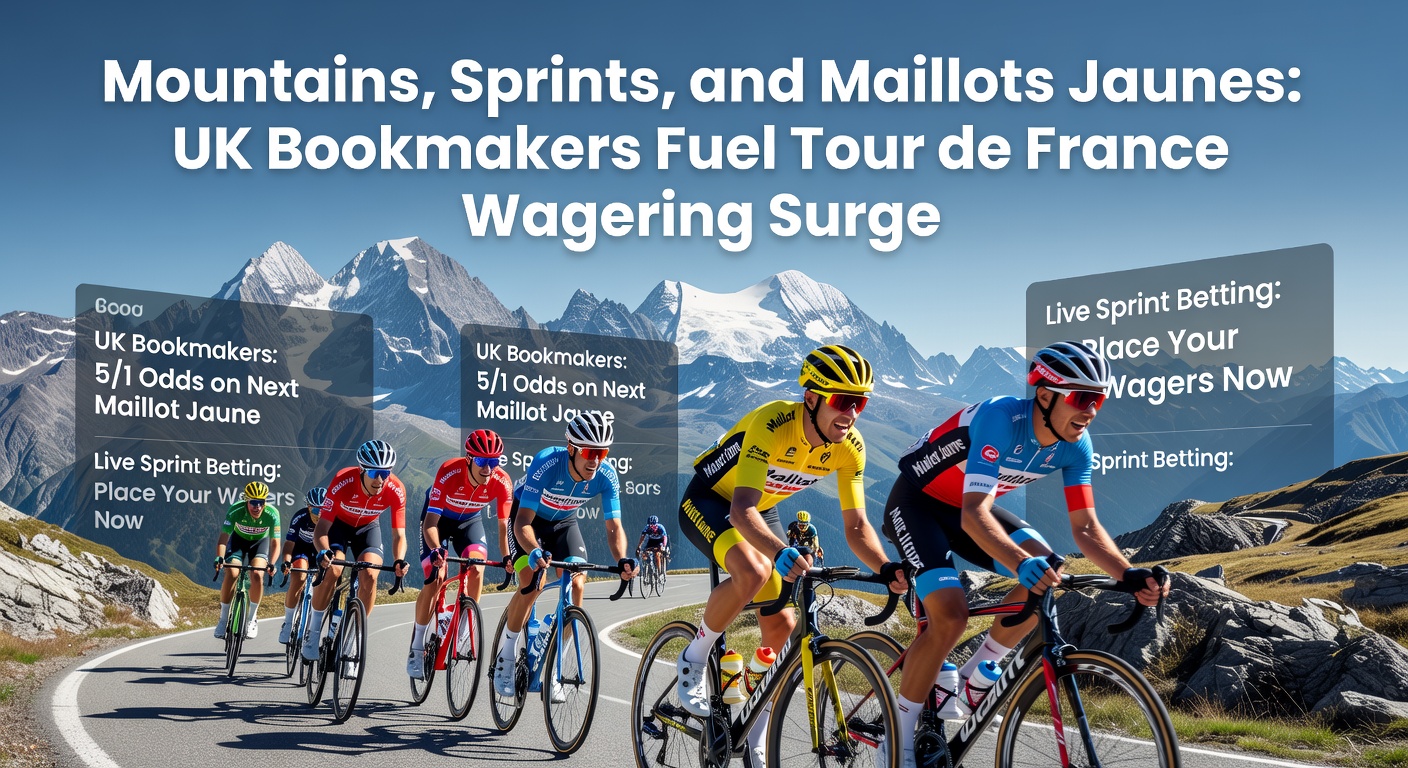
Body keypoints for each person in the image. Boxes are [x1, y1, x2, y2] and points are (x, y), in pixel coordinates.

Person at [880, 340, 1170, 768]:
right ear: (1046, 395)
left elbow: (1085, 527)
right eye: (1082, 398)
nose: (1092, 411)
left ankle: (976, 676)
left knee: (1050, 569)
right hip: (917, 504)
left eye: (1100, 399)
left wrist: (1128, 574)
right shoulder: (1000, 419)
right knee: (951, 616)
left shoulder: (1077, 445)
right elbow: (975, 513)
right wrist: (1019, 562)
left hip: (967, 509)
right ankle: (897, 741)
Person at [675, 344, 906, 768]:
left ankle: (754, 727)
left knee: (782, 626)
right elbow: (740, 510)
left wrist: (886, 567)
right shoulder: (772, 422)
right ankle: (694, 657)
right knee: (753, 571)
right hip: (713, 500)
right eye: (843, 401)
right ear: (812, 398)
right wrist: (781, 550)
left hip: (762, 508)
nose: (852, 414)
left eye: (860, 404)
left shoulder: (850, 447)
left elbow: (857, 526)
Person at [491, 411, 635, 702]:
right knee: (532, 580)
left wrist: (622, 559)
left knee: (578, 582)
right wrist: (534, 550)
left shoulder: (606, 475)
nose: (596, 461)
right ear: (571, 448)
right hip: (528, 521)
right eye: (590, 452)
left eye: (602, 453)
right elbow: (522, 523)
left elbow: (614, 526)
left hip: (564, 524)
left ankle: (556, 669)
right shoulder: (547, 463)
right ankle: (506, 655)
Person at [407, 429, 514, 679]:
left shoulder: (502, 481)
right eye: (482, 461)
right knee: (436, 576)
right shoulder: (449, 471)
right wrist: (436, 549)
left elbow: (503, 526)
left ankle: (464, 630)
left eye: (494, 462)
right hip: (439, 521)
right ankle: (417, 646)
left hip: (469, 522)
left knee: (477, 567)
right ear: (469, 459)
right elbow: (430, 524)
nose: (488, 469)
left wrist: (507, 556)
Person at [300, 439, 410, 661]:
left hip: (368, 529)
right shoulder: (343, 481)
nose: (380, 480)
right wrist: (323, 552)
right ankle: (313, 632)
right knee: (333, 569)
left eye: (385, 473)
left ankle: (352, 643)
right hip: (338, 527)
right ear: (361, 470)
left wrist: (399, 559)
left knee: (370, 574)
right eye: (374, 473)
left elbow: (399, 535)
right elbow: (321, 528)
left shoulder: (396, 489)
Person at [214, 481, 281, 639]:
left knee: (257, 574)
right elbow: (224, 538)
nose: (257, 507)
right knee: (232, 572)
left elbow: (275, 543)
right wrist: (220, 557)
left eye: (261, 502)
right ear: (246, 501)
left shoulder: (272, 514)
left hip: (260, 544)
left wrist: (272, 563)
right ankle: (223, 619)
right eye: (253, 503)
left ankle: (252, 619)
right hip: (238, 543)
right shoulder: (236, 510)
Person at [277, 487, 324, 644]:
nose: (320, 514)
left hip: (319, 552)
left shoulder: (329, 519)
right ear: (309, 507)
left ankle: (311, 628)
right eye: (316, 510)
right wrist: (287, 561)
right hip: (301, 550)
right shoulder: (300, 517)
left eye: (324, 510)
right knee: (300, 576)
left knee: (321, 585)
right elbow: (289, 543)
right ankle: (288, 622)